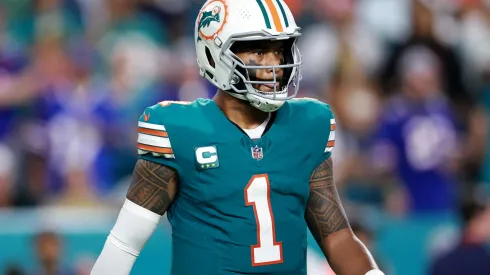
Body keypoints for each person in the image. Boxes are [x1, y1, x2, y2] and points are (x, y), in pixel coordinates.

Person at [91, 0, 384, 274]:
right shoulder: (182, 130)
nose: (273, 65)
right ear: (213, 53)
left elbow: (337, 237)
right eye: (258, 51)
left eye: (279, 50)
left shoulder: (307, 126)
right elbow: (125, 242)